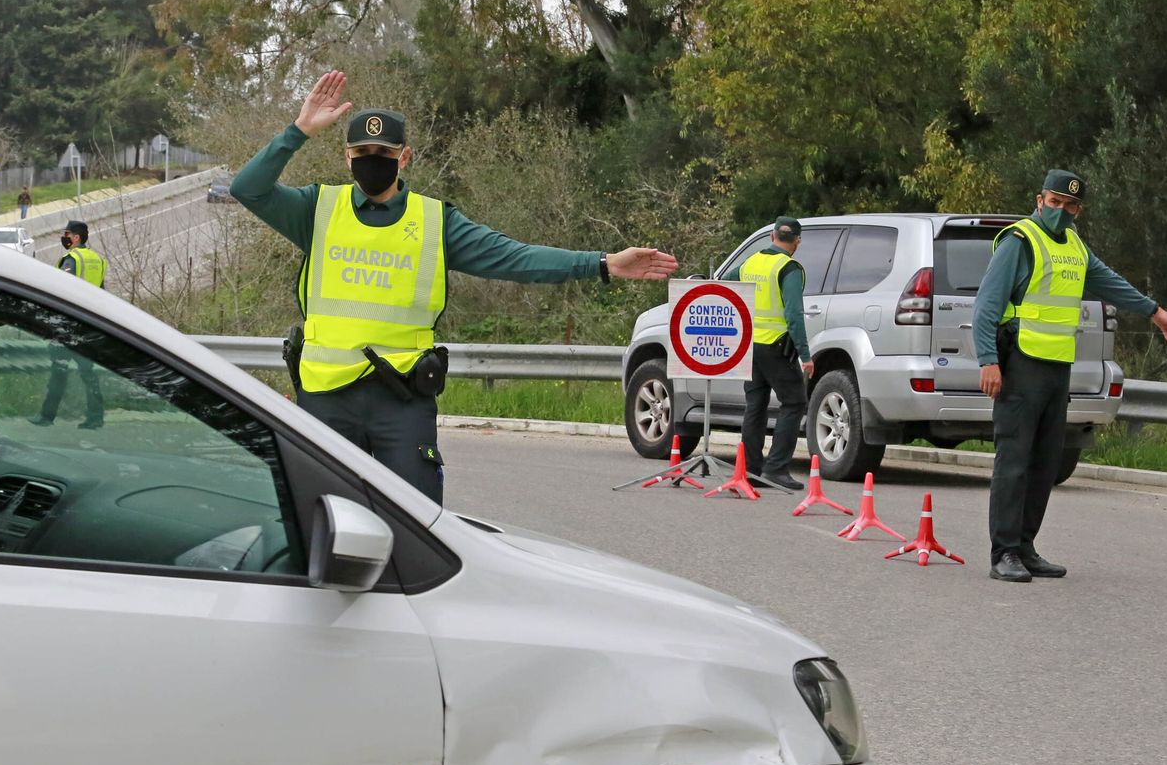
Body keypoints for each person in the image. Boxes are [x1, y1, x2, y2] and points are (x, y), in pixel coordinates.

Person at [231, 70, 678, 504]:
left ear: (404, 158)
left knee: (418, 522)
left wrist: (602, 264)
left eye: (384, 152)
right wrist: (299, 130)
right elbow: (247, 188)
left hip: (401, 401)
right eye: (362, 151)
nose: (372, 159)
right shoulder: (317, 210)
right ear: (347, 157)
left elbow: (516, 258)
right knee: (320, 518)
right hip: (325, 399)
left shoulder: (435, 223)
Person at [974, 170, 1167, 582]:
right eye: (1054, 202)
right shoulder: (1019, 241)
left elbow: (1109, 282)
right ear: (1039, 200)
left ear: (1078, 211)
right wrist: (988, 360)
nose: (1061, 210)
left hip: (1057, 369)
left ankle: (1025, 547)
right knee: (1014, 461)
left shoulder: (1074, 246)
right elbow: (986, 305)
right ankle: (1004, 553)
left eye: (1069, 205)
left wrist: (1154, 311)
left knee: (1045, 462)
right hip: (1019, 364)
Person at [722, 217, 814, 491]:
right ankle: (776, 469)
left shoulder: (750, 263)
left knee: (755, 404)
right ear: (797, 241)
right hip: (776, 346)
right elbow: (794, 314)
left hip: (750, 346)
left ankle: (751, 470)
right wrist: (805, 355)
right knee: (794, 402)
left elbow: (724, 284)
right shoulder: (789, 268)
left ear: (772, 236)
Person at [31, 220, 107, 430]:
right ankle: (96, 417)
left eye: (67, 234)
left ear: (76, 237)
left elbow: (61, 292)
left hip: (67, 327)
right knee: (88, 375)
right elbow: (102, 294)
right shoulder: (98, 260)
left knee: (59, 372)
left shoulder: (71, 259)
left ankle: (47, 416)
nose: (64, 238)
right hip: (89, 326)